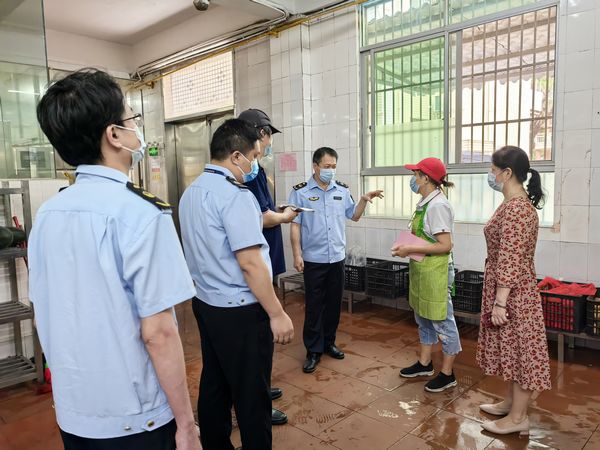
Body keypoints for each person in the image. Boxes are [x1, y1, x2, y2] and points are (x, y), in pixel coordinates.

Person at [29, 69, 201, 450]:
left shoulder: (47, 214)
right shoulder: (142, 214)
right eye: (131, 119)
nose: (136, 129)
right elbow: (160, 333)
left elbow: (43, 309)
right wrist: (187, 426)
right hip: (138, 420)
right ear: (114, 135)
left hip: (74, 415)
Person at [179, 119, 294, 450]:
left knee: (215, 383)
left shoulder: (192, 193)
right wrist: (276, 312)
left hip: (205, 304)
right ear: (235, 156)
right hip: (241, 312)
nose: (256, 163)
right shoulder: (236, 195)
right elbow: (249, 263)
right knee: (251, 395)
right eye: (254, 155)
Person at [476, 146, 551, 435]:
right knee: (512, 349)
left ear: (507, 173)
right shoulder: (513, 204)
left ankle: (519, 418)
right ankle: (511, 404)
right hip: (510, 288)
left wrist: (500, 302)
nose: (490, 176)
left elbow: (510, 256)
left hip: (515, 294)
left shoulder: (518, 209)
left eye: (493, 171)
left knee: (522, 353)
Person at [288, 147, 383, 373]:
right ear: (315, 166)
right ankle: (313, 349)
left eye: (333, 167)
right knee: (314, 305)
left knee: (333, 304)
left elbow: (354, 216)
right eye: (326, 166)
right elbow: (295, 225)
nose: (330, 170)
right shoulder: (300, 192)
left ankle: (328, 342)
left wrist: (362, 200)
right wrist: (297, 254)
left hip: (337, 258)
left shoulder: (341, 190)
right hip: (313, 259)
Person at [238, 108, 297, 426]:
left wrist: (278, 211)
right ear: (257, 134)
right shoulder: (246, 175)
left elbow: (263, 209)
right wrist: (284, 217)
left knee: (260, 339)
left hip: (263, 259)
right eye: (268, 135)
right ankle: (255, 400)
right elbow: (258, 217)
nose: (269, 142)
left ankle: (260, 387)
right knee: (256, 337)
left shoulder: (255, 170)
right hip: (253, 268)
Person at [391, 157, 461, 393]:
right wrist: (408, 246)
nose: (414, 179)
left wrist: (410, 248)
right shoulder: (425, 202)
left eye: (416, 174)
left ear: (426, 179)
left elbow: (445, 245)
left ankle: (448, 373)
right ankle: (424, 364)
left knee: (442, 319)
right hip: (422, 268)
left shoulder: (438, 205)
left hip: (437, 272)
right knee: (423, 316)